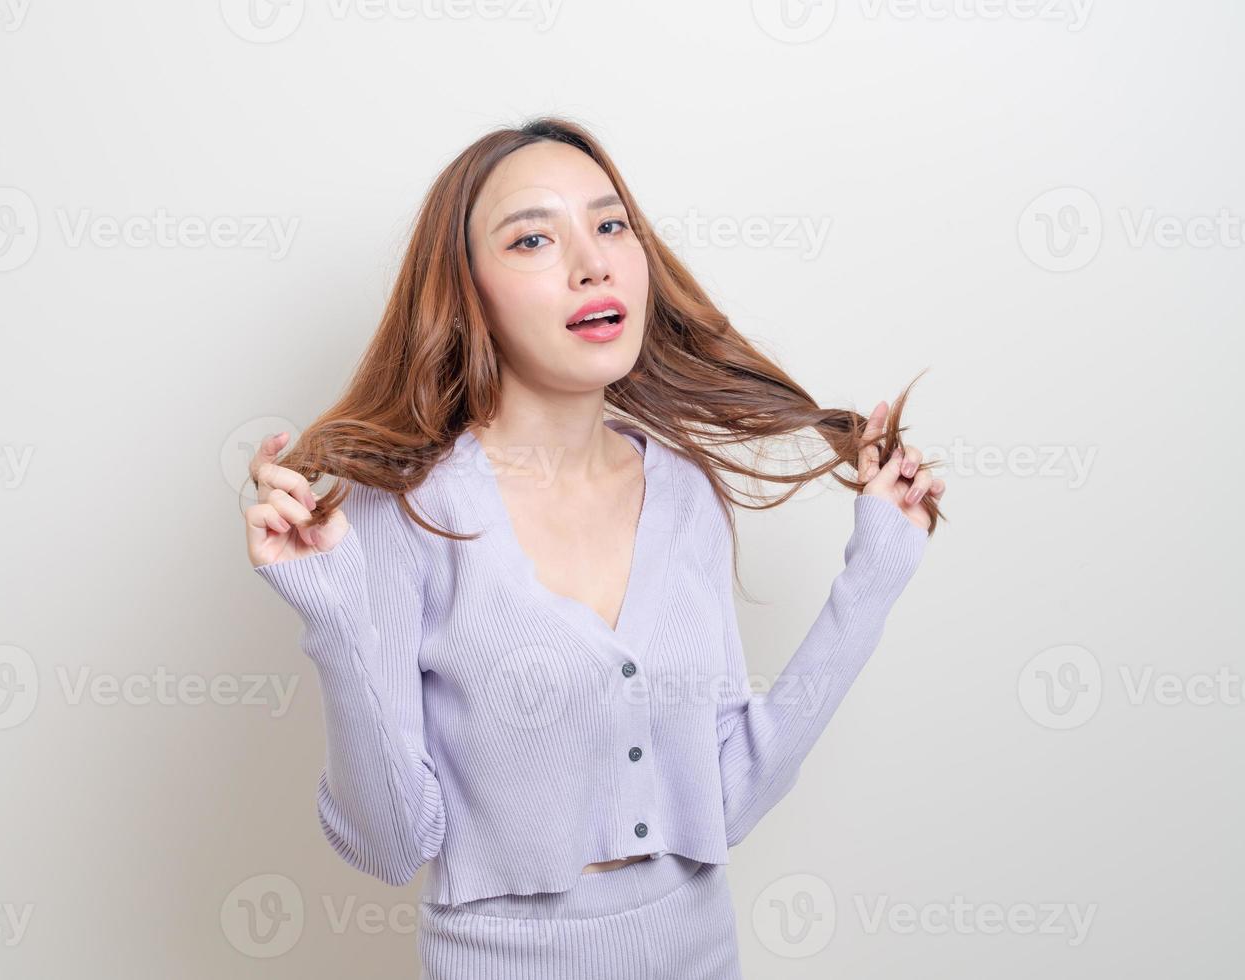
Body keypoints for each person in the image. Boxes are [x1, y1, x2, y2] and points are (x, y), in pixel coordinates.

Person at [243, 116, 945, 979]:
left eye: (610, 225)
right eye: (533, 238)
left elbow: (721, 798)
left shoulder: (685, 492)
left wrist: (872, 578)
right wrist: (336, 618)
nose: (592, 261)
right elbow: (387, 846)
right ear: (469, 293)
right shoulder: (403, 513)